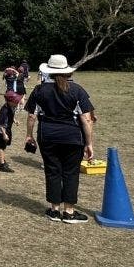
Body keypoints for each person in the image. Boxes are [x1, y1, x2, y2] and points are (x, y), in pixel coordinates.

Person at [24, 54, 94, 223]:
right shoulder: (77, 90)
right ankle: (69, 212)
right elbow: (86, 119)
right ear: (68, 72)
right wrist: (89, 143)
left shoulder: (39, 90)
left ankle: (54, 210)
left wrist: (29, 135)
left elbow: (32, 117)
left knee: (52, 171)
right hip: (73, 137)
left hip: (47, 136)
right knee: (71, 173)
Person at [0, 91, 21, 172]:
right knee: (1, 146)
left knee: (5, 145)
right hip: (1, 131)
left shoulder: (11, 107)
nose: (17, 103)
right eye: (15, 101)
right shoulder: (4, 111)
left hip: (7, 129)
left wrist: (14, 120)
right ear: (9, 101)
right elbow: (0, 124)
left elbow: (11, 116)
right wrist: (4, 134)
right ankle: (2, 165)